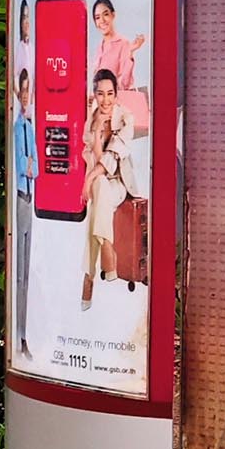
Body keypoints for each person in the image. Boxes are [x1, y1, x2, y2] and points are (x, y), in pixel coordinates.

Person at [80, 68, 138, 309]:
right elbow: (93, 157)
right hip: (100, 186)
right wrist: (96, 130)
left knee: (100, 188)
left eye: (110, 94)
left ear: (116, 94)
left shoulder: (126, 118)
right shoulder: (91, 118)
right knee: (99, 192)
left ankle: (88, 278)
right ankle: (106, 246)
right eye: (101, 94)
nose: (105, 100)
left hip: (119, 184)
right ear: (95, 94)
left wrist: (87, 180)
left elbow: (111, 160)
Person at [12, 67, 36, 358]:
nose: (27, 95)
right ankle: (19, 338)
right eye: (24, 90)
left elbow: (36, 165)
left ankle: (25, 335)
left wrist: (30, 165)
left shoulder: (29, 127)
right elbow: (23, 165)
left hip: (30, 197)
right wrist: (28, 165)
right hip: (20, 196)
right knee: (18, 275)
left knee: (27, 274)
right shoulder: (18, 127)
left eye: (30, 90)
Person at [91, 0, 145, 90]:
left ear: (113, 15)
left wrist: (130, 53)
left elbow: (125, 84)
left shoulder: (123, 43)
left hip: (116, 101)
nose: (102, 20)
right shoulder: (99, 47)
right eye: (98, 17)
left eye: (106, 14)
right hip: (99, 102)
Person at [15, 0, 34, 108]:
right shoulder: (19, 47)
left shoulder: (32, 47)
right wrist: (19, 95)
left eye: (28, 18)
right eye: (24, 18)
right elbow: (14, 77)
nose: (26, 22)